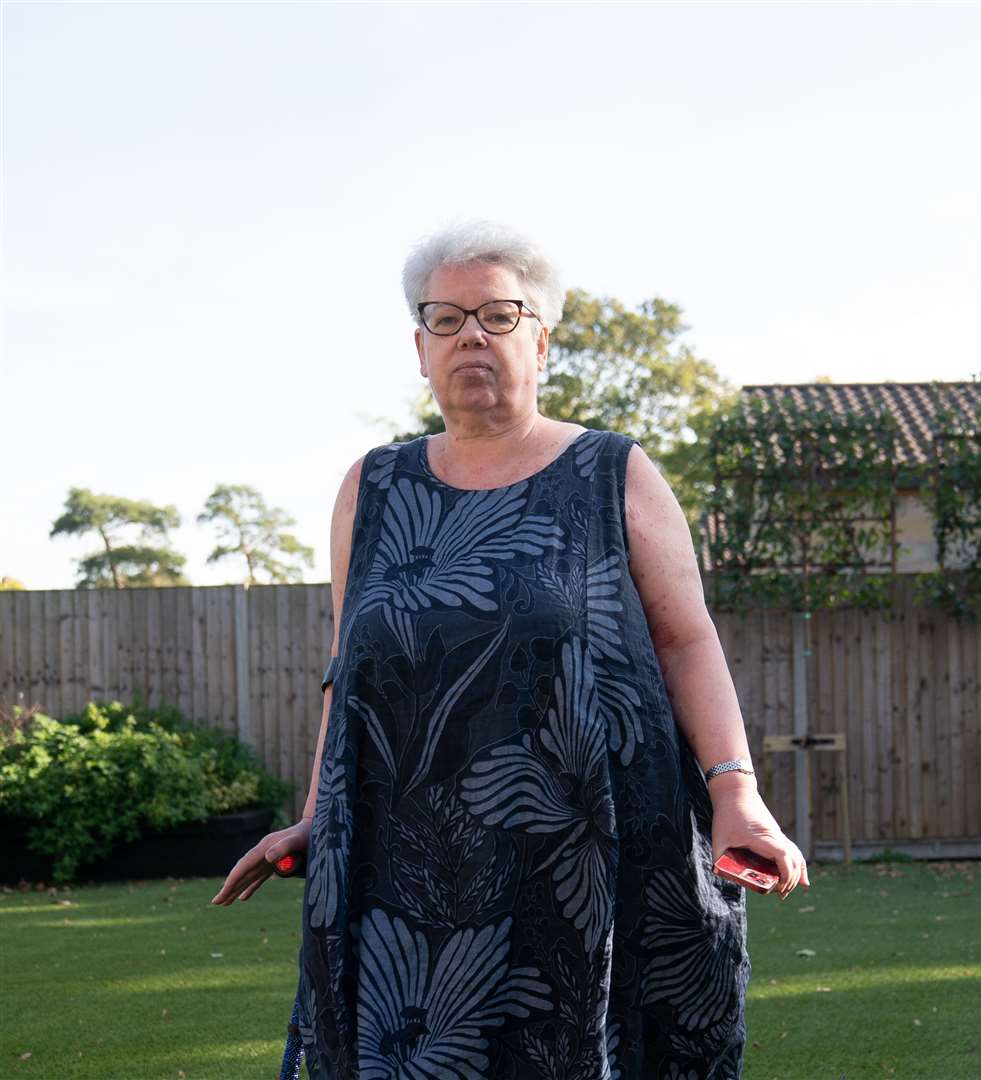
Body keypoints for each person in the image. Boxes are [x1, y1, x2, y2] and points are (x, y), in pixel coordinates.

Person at [211, 220, 808, 1078]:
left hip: (587, 860)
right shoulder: (371, 488)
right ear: (420, 349)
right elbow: (351, 673)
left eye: (497, 314)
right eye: (446, 319)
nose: (472, 337)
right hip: (408, 874)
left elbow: (686, 641)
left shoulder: (615, 474)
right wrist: (319, 812)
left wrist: (736, 795)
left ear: (541, 338)